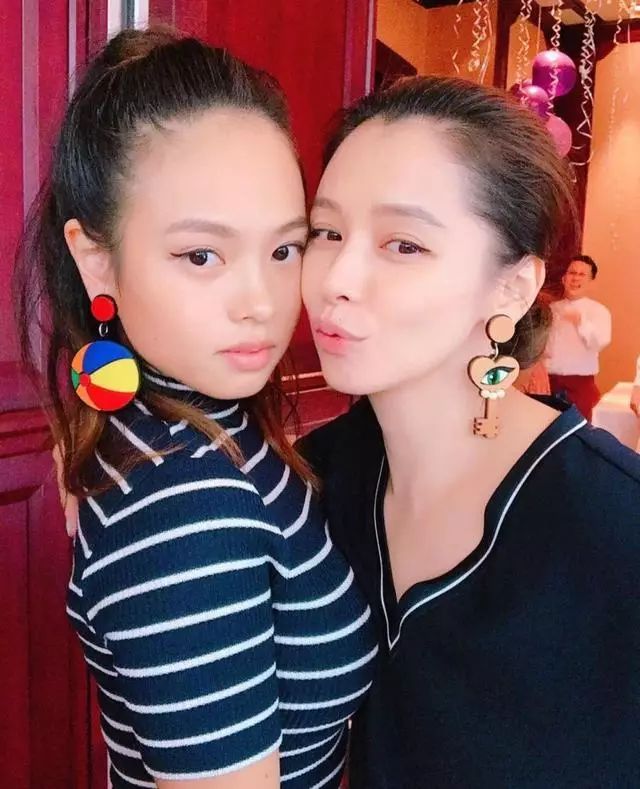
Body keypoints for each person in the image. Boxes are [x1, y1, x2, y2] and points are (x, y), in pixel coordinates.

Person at [14, 29, 377, 789]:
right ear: (95, 259)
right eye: (202, 255)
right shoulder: (186, 504)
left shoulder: (178, 420)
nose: (261, 302)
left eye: (283, 250)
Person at [300, 76, 640, 788]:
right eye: (326, 233)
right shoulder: (320, 477)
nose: (336, 278)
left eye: (403, 244)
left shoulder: (614, 523)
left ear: (511, 287)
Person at [545, 254, 611, 420]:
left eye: (582, 274)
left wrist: (581, 322)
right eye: (572, 273)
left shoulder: (599, 311)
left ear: (591, 281)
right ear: (564, 278)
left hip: (580, 386)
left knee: (578, 432)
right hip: (549, 384)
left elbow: (600, 342)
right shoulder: (550, 309)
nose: (575, 278)